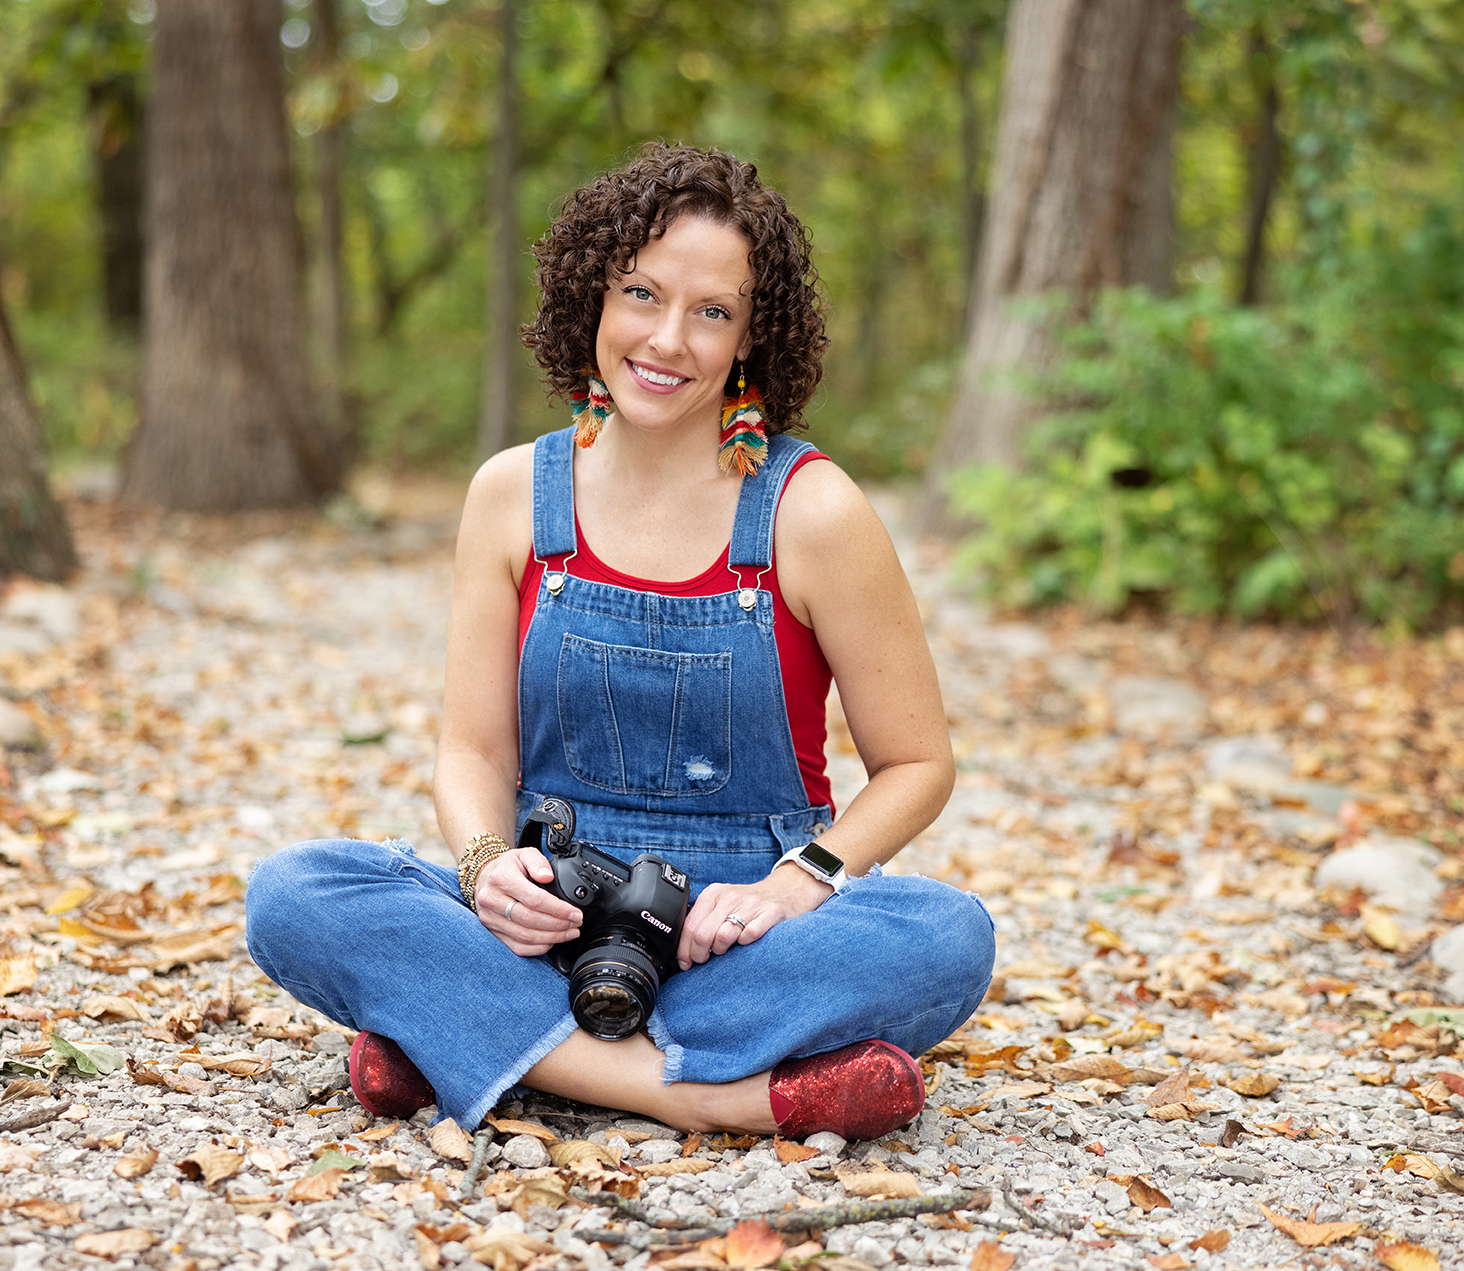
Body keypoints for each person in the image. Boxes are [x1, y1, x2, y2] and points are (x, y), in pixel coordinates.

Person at [246, 143, 995, 1140]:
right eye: (641, 293)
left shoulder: (812, 511)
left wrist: (795, 883)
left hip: (733, 935)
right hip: (546, 921)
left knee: (945, 937)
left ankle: (480, 1047)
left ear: (749, 339)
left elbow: (917, 763)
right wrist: (482, 871)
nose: (668, 340)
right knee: (296, 893)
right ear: (590, 298)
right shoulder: (513, 492)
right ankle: (706, 1092)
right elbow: (472, 753)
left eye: (712, 312)